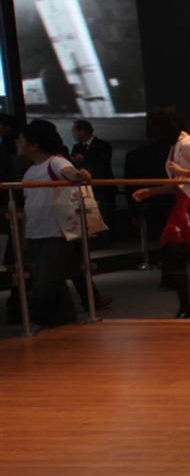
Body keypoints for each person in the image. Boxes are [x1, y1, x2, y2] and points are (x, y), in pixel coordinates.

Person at [129, 108, 190, 318]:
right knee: (177, 253)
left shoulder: (186, 143)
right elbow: (180, 183)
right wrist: (152, 191)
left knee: (180, 252)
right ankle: (188, 305)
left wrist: (182, 172)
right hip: (185, 202)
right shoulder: (177, 144)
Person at [16, 120, 93, 330]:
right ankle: (66, 324)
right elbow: (29, 207)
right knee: (55, 281)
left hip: (55, 233)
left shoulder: (55, 162)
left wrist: (79, 175)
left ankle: (38, 320)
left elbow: (69, 172)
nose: (17, 142)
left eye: (21, 139)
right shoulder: (30, 172)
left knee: (46, 281)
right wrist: (24, 239)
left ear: (34, 144)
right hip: (36, 234)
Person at [69, 119, 116, 235]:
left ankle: (105, 238)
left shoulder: (103, 145)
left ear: (82, 131)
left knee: (105, 214)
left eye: (74, 131)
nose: (73, 134)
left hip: (103, 185)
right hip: (86, 187)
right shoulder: (77, 147)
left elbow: (104, 161)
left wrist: (85, 158)